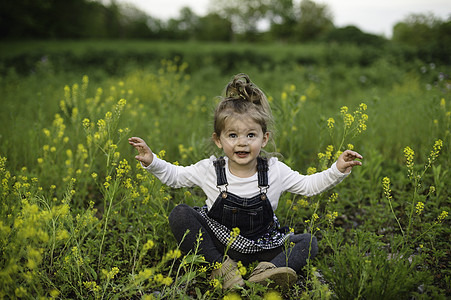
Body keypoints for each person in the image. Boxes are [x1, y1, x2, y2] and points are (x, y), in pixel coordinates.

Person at [128, 73, 362, 290]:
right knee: (180, 214)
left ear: (264, 138)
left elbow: (309, 186)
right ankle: (220, 267)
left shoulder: (273, 170)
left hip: (263, 247)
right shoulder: (210, 168)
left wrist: (337, 169)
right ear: (218, 140)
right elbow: (175, 177)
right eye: (232, 135)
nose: (242, 143)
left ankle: (267, 271)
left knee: (308, 242)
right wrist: (152, 161)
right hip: (221, 245)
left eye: (251, 135)